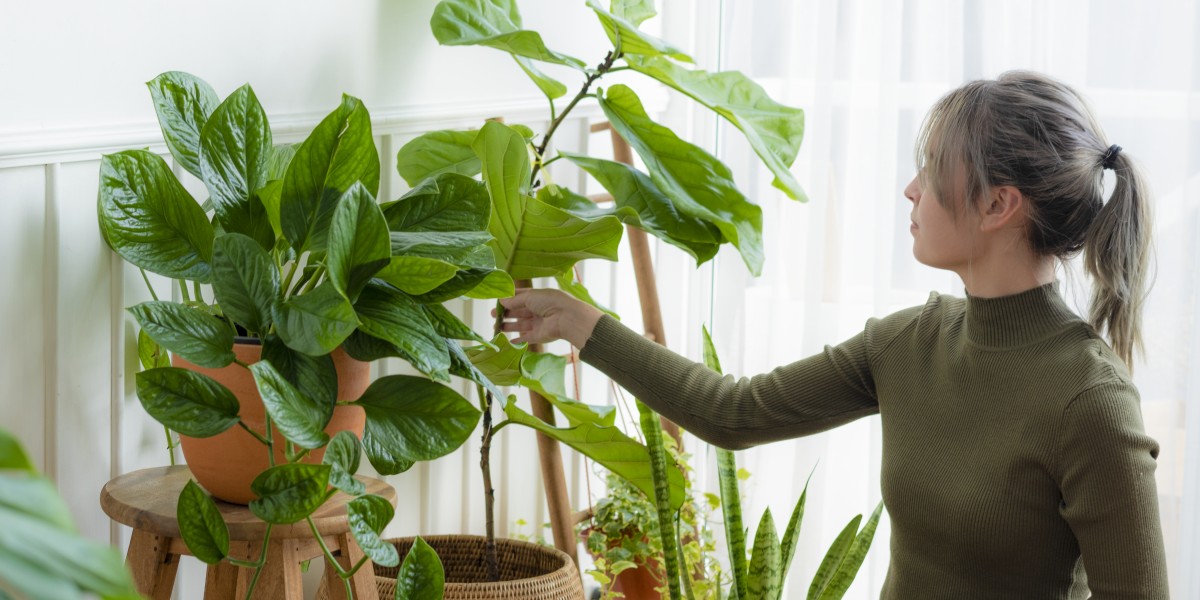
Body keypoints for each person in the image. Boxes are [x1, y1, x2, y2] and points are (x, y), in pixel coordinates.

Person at [497, 71, 1169, 598]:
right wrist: (580, 324)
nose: (911, 190)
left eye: (933, 170)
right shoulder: (910, 342)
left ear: (999, 205)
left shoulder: (1089, 402)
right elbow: (733, 411)